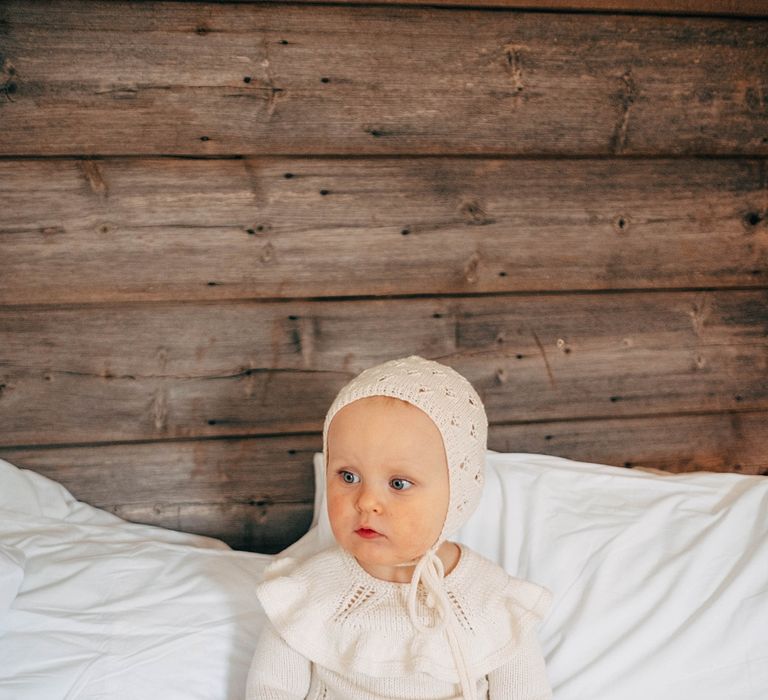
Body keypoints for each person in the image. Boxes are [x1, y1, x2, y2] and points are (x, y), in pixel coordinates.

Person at [245, 355, 553, 699]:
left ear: (458, 492)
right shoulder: (309, 593)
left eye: (398, 484)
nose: (366, 502)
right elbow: (270, 688)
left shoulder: (492, 602)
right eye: (348, 476)